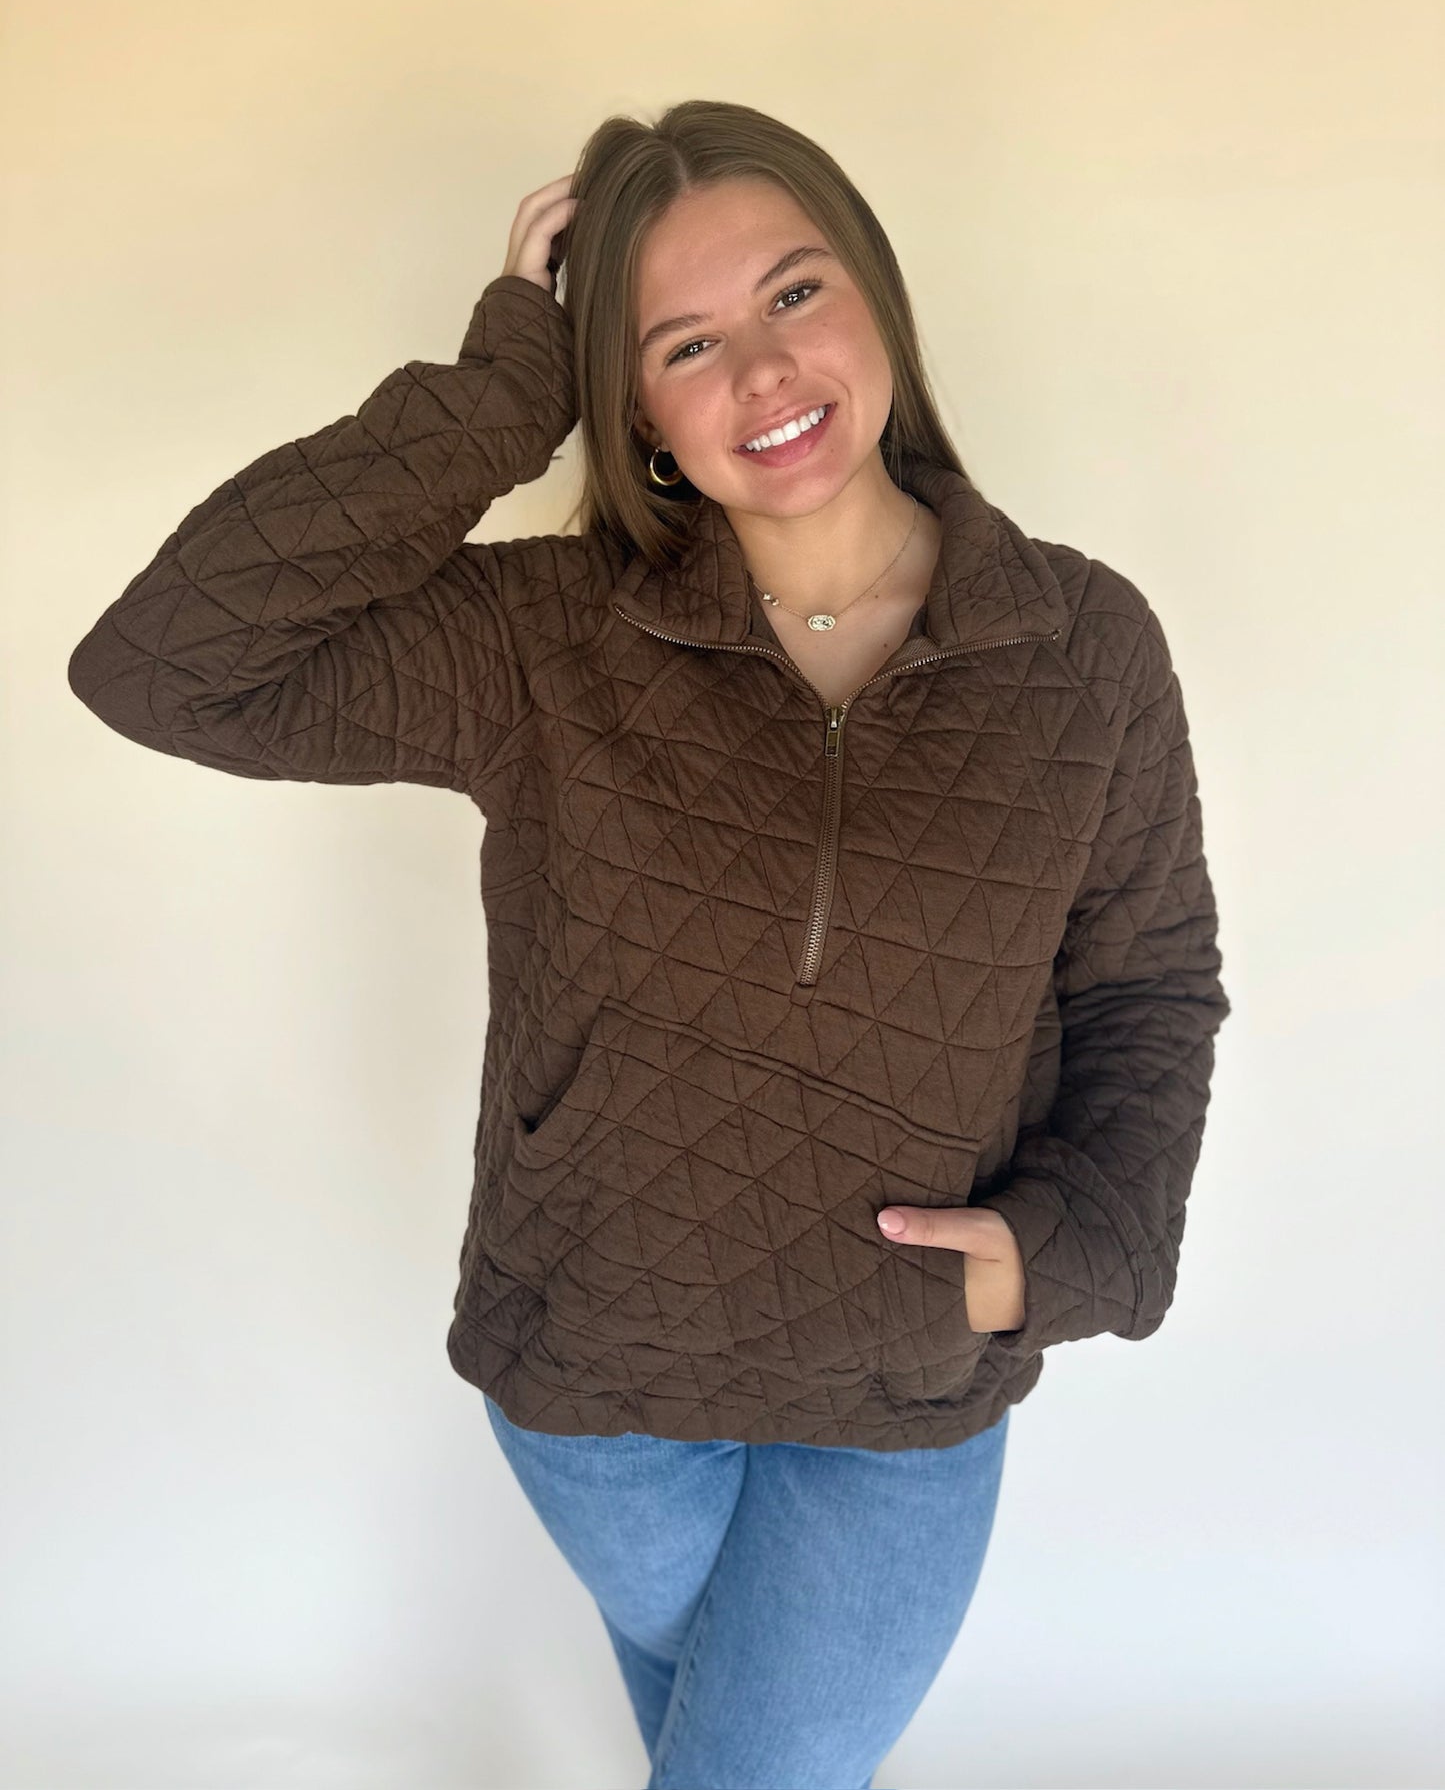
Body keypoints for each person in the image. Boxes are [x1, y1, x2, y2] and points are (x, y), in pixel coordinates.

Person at [67, 99, 1231, 1790]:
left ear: (876, 298)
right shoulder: (547, 638)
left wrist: (1061, 1256)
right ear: (635, 412)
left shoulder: (1081, 644)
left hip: (904, 1384)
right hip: (600, 1388)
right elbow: (165, 666)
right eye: (684, 345)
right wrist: (496, 394)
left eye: (793, 293)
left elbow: (1145, 990)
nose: (761, 372)